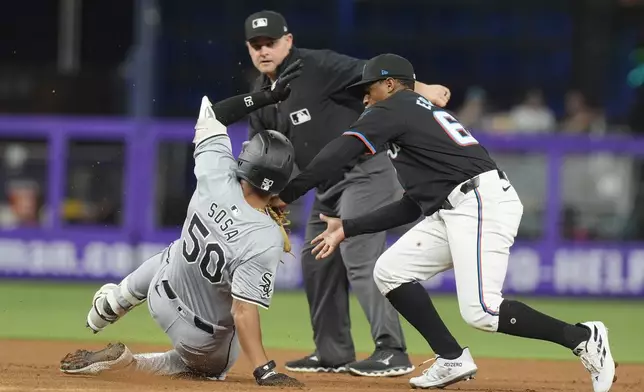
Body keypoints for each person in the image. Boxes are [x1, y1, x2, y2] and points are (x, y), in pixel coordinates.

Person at [275, 53, 616, 392]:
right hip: (456, 205)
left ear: (391, 84)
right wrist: (347, 228)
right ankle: (451, 357)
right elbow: (410, 207)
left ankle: (583, 337)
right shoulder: (411, 121)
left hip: (479, 202)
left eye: (370, 87)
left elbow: (340, 151)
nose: (364, 96)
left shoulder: (395, 107)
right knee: (390, 271)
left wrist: (287, 193)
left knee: (482, 312)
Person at [59, 61, 307, 387]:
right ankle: (129, 365)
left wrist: (266, 96)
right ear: (276, 186)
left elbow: (213, 114)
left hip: (161, 292)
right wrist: (264, 369)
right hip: (201, 339)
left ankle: (110, 304)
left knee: (174, 253)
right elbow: (243, 313)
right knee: (205, 366)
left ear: (247, 163)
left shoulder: (217, 174)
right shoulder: (265, 237)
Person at [244, 9, 451, 377]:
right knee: (316, 258)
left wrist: (424, 90)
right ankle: (333, 352)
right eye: (256, 44)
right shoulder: (262, 94)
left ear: (287, 41)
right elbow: (265, 149)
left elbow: (377, 75)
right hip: (323, 182)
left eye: (270, 42)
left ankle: (392, 350)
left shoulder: (317, 65)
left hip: (366, 170)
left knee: (359, 252)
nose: (263, 50)